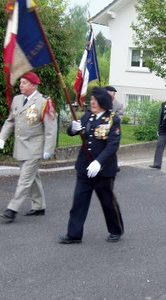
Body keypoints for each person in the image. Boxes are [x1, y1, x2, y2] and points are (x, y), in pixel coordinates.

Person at [58, 87, 124, 244]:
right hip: (84, 167)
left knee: (108, 202)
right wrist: (72, 129)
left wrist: (98, 162)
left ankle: (116, 230)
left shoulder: (113, 120)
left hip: (103, 171)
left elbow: (112, 146)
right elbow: (73, 131)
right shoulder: (88, 116)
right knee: (79, 201)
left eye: (95, 100)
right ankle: (74, 234)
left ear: (103, 102)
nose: (92, 102)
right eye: (92, 99)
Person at [0, 72, 57, 222]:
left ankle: (12, 209)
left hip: (35, 147)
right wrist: (2, 137)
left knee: (24, 179)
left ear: (33, 85)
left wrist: (49, 148)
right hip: (21, 147)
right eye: (21, 82)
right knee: (32, 177)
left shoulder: (43, 102)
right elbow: (10, 121)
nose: (20, 85)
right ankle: (39, 206)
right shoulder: (17, 100)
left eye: (24, 83)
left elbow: (51, 128)